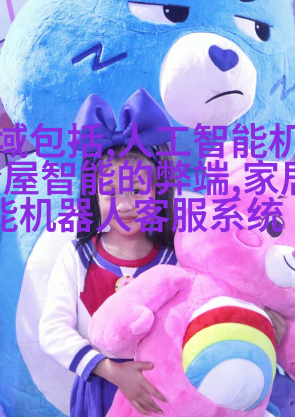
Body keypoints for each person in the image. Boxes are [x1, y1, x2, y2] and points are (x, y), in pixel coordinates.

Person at [39, 90, 176, 416]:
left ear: (158, 191)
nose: (125, 205)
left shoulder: (175, 259)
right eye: (110, 193)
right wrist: (111, 370)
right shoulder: (77, 256)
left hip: (163, 393)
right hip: (98, 392)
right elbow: (52, 330)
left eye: (138, 190)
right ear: (94, 196)